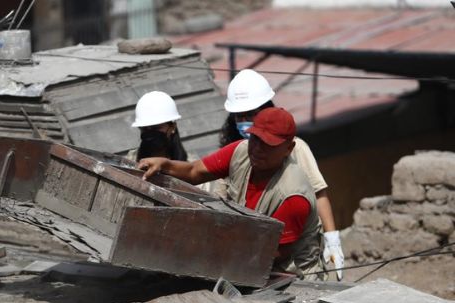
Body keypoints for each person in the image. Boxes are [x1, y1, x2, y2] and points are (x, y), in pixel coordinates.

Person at [138, 107, 327, 280]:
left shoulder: (293, 195)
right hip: (245, 258)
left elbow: (274, 252)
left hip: (291, 279)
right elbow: (194, 171)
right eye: (255, 139)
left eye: (268, 144)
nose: (257, 149)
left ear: (289, 149)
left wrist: (207, 247)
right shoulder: (241, 152)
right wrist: (164, 165)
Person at [220, 69, 344, 280]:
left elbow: (319, 193)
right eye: (239, 116)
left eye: (251, 114)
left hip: (293, 260)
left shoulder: (295, 149)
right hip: (250, 251)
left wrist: (332, 239)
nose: (245, 121)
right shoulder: (235, 152)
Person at [128, 91, 188, 162]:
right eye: (144, 129)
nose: (150, 133)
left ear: (173, 127)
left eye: (156, 128)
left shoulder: (189, 165)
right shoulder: (131, 159)